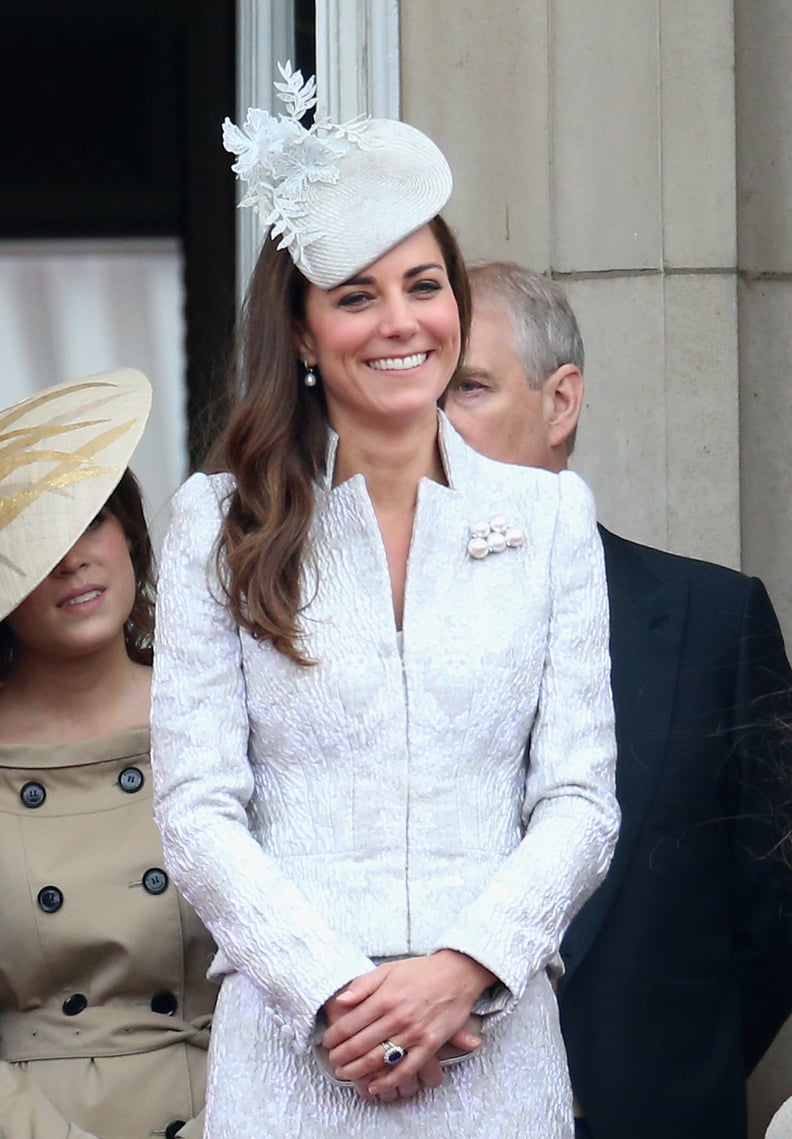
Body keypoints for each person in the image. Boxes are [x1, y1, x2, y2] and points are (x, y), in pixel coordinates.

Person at [150, 63, 619, 1139]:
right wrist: (332, 993)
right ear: (305, 335)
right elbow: (197, 807)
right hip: (291, 1056)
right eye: (357, 294)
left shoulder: (549, 517)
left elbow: (581, 800)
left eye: (424, 284)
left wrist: (465, 967)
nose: (400, 321)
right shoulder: (218, 521)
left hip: (495, 1049)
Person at [444, 261, 792, 1139]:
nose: (435, 425)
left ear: (560, 404)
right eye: (422, 395)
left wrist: (663, 1078)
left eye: (470, 388)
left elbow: (773, 918)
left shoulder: (715, 623)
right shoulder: (358, 636)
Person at [0, 369, 217, 1139]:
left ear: (130, 532)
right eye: (36, 539)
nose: (72, 560)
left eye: (91, 521)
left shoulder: (223, 713)